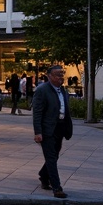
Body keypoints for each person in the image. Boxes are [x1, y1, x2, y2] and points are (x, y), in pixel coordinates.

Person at [33, 64, 72, 198]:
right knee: (50, 157)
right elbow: (37, 112)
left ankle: (43, 176)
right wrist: (38, 132)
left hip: (60, 128)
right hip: (47, 129)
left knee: (54, 156)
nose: (60, 77)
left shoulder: (63, 90)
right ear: (49, 76)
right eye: (57, 74)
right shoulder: (42, 90)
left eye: (62, 74)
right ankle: (57, 187)